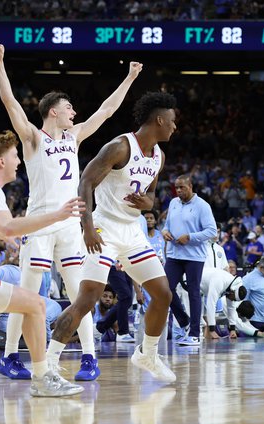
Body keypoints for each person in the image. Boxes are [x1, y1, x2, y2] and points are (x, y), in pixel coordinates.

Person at [0, 44, 143, 382]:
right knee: (28, 294)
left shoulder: (74, 136)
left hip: (71, 224)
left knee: (82, 293)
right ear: (53, 111)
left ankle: (89, 358)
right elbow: (10, 103)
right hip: (41, 223)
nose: (74, 111)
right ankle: (10, 355)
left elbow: (105, 111)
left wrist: (130, 78)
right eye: (69, 107)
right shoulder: (32, 137)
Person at [46, 92, 178, 383]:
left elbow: (151, 195)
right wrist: (88, 226)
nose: (174, 126)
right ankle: (48, 365)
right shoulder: (120, 146)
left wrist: (148, 203)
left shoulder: (159, 155)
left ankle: (147, 354)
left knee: (163, 294)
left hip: (133, 231)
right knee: (87, 299)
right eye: (171, 121)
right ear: (159, 119)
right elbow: (86, 182)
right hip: (104, 228)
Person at [0, 131, 84, 396]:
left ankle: (41, 375)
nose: (18, 162)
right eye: (14, 155)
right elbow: (8, 226)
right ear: (0, 160)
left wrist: (12, 237)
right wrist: (56, 216)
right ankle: (42, 378)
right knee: (35, 304)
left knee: (33, 304)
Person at [162, 174, 217, 346]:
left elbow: (211, 231)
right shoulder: (173, 203)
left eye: (182, 187)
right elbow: (167, 225)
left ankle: (194, 334)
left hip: (194, 256)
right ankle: (184, 320)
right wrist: (164, 231)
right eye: (176, 188)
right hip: (174, 254)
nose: (178, 191)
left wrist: (190, 237)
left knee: (193, 292)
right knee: (165, 289)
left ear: (190, 186)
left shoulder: (202, 206)